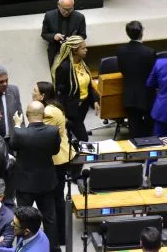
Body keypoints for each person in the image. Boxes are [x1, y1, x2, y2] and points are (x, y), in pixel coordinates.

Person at [10, 102, 61, 252]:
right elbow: (55, 151)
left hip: (25, 184)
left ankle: (22, 248)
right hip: (46, 181)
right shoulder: (53, 131)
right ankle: (52, 248)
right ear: (44, 115)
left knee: (22, 220)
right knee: (50, 218)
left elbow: (13, 146)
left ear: (26, 115)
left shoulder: (20, 133)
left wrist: (17, 126)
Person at [32, 82, 76, 246]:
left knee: (56, 198)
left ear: (43, 96)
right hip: (60, 157)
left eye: (35, 91)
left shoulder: (48, 112)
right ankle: (60, 233)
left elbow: (43, 135)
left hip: (57, 159)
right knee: (56, 197)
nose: (32, 93)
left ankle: (60, 235)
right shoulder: (53, 106)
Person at [51, 35, 100, 141]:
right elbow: (60, 94)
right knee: (83, 138)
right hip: (71, 109)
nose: (86, 50)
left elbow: (89, 85)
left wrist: (95, 101)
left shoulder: (82, 64)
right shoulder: (63, 68)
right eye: (83, 48)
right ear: (75, 50)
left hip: (83, 106)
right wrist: (63, 114)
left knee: (73, 135)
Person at [117, 21, 157, 138]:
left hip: (129, 94)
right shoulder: (149, 52)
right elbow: (154, 74)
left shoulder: (121, 51)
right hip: (146, 94)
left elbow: (122, 70)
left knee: (134, 128)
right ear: (142, 32)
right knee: (149, 129)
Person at [41, 0, 87, 67]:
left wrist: (73, 39)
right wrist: (54, 36)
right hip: (55, 52)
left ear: (73, 6)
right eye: (64, 9)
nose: (67, 12)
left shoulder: (79, 17)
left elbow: (83, 35)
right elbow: (44, 34)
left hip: (73, 52)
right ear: (58, 5)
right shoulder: (49, 16)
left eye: (70, 9)